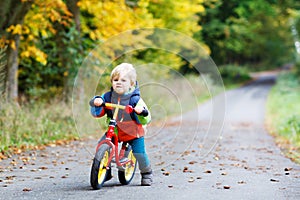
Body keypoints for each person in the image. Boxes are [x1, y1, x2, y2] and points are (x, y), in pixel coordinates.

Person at [89, 63, 153, 186]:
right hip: (115, 130)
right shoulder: (107, 97)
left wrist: (141, 112)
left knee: (139, 153)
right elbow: (97, 112)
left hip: (133, 132)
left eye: (123, 80)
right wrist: (97, 102)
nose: (118, 83)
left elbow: (147, 117)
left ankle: (146, 173)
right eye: (115, 80)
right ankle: (105, 171)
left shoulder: (135, 99)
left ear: (131, 84)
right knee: (101, 145)